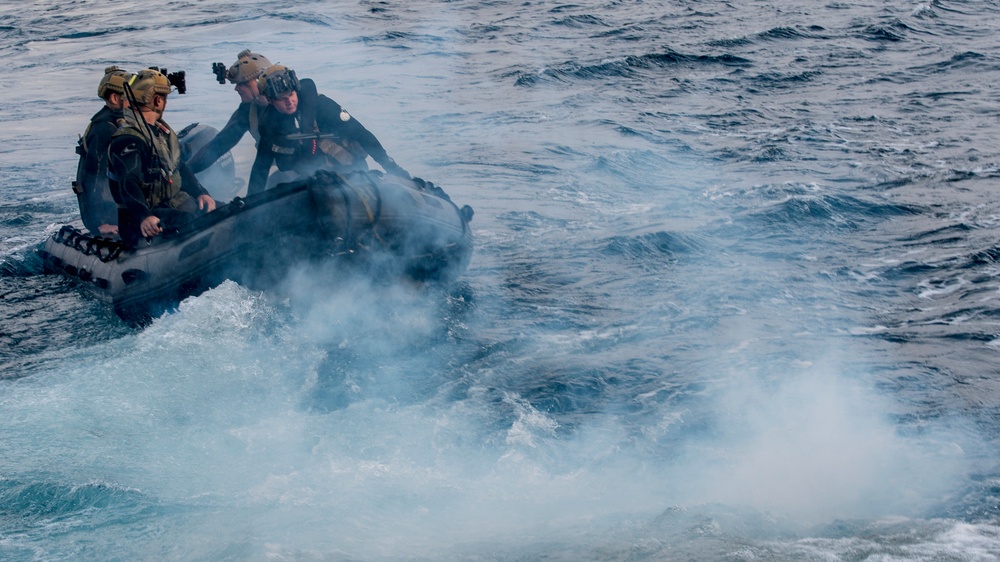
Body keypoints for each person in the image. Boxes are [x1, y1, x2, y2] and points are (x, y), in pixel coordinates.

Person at [247, 65, 410, 195]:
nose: (289, 102)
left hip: (348, 173)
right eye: (282, 99)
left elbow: (362, 134)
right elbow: (261, 166)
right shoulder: (269, 123)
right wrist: (250, 202)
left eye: (291, 95)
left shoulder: (323, 107)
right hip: (308, 180)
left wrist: (392, 168)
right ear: (270, 100)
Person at [107, 68, 216, 246]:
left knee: (221, 210)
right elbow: (128, 181)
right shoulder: (127, 140)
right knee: (188, 221)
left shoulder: (160, 133)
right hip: (138, 219)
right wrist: (144, 216)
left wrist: (201, 193)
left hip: (171, 204)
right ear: (158, 100)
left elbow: (179, 168)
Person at [185, 50, 273, 174]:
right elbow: (219, 145)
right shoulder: (248, 110)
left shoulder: (292, 99)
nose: (236, 88)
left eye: (242, 83)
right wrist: (183, 174)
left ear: (259, 80)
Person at [73, 66, 132, 237]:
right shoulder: (104, 129)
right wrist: (100, 222)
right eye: (130, 96)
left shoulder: (122, 124)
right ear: (115, 98)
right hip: (109, 214)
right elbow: (93, 177)